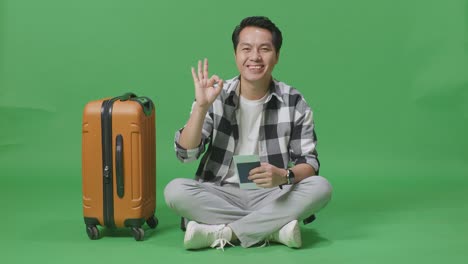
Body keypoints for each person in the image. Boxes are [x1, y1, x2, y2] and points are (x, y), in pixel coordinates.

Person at [164, 16, 332, 250]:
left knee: (321, 187)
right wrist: (201, 107)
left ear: (277, 56)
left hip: (271, 194)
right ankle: (273, 229)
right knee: (175, 191)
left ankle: (224, 232)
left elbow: (309, 163)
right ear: (236, 55)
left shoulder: (294, 101)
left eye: (265, 49)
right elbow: (186, 154)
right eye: (246, 49)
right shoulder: (216, 95)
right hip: (220, 193)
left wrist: (284, 176)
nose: (255, 57)